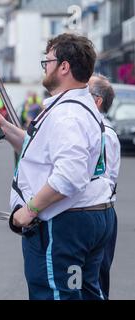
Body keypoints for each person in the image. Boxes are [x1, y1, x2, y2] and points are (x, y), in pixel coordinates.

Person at [0, 33, 114, 300]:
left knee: (56, 294)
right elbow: (42, 152)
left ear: (64, 66)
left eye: (48, 60)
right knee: (85, 293)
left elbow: (69, 176)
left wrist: (28, 211)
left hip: (67, 221)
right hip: (89, 216)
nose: (45, 66)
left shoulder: (67, 114)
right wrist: (7, 129)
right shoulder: (78, 105)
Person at [88, 74, 120, 299]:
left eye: (85, 93)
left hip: (97, 211)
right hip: (94, 212)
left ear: (97, 101)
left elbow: (100, 180)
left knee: (95, 282)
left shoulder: (103, 134)